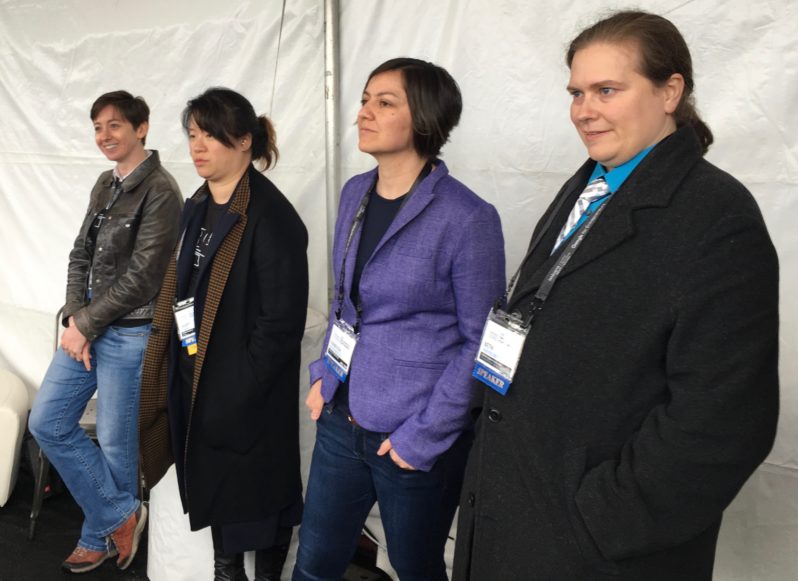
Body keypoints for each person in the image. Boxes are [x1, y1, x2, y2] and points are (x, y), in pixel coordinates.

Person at [453, 10, 780, 581]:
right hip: (511, 513)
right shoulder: (587, 186)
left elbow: (724, 421)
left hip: (594, 553)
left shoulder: (717, 216)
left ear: (670, 90)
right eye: (577, 92)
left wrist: (601, 523)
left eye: (607, 89)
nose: (584, 110)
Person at [292, 58, 505, 581]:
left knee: (415, 568)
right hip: (342, 417)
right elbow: (347, 302)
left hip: (413, 431)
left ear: (426, 118)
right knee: (316, 562)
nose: (364, 112)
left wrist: (426, 435)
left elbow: (482, 342)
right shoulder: (354, 194)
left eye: (384, 102)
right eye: (365, 99)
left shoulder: (468, 217)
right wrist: (324, 373)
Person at [138, 87, 308, 581]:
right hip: (198, 375)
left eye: (211, 135)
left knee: (258, 498)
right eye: (193, 134)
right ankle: (224, 571)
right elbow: (184, 292)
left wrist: (235, 391)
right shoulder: (197, 205)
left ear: (244, 141)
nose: (198, 146)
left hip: (243, 393)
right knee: (217, 498)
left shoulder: (271, 217)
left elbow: (279, 327)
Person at [28, 91, 182, 573]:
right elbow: (81, 254)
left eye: (114, 125)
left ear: (142, 128)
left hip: (132, 334)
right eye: (97, 127)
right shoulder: (104, 182)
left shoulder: (162, 190)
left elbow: (144, 276)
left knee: (117, 446)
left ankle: (98, 535)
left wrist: (88, 324)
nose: (104, 136)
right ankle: (121, 514)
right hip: (88, 330)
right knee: (47, 422)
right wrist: (76, 319)